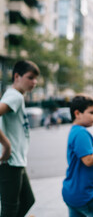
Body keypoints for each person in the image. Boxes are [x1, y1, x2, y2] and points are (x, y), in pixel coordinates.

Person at [0, 60, 40, 217]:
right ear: (17, 76)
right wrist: (7, 145)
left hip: (17, 161)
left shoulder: (13, 95)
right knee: (10, 208)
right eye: (30, 77)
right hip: (10, 162)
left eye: (36, 79)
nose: (34, 82)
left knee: (27, 200)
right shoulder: (15, 96)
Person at [62, 94, 93, 217]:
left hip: (72, 192)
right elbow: (88, 160)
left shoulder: (75, 130)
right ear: (77, 113)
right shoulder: (80, 133)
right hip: (86, 195)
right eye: (91, 112)